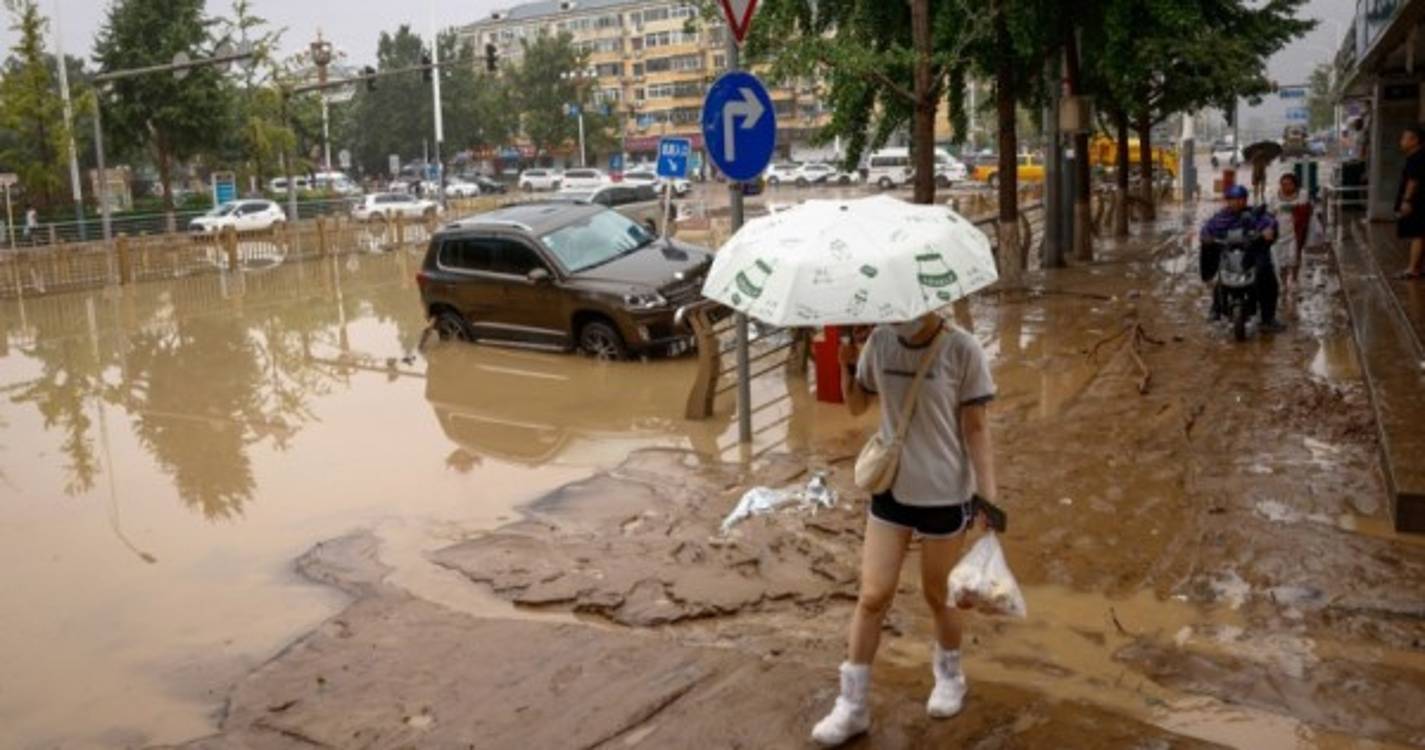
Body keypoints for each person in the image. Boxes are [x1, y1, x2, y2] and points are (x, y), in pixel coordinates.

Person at [813, 312, 997, 747]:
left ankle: (950, 678)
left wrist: (988, 499)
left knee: (938, 595)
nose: (897, 315)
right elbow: (858, 407)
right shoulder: (880, 341)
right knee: (873, 595)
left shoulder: (962, 349)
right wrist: (845, 364)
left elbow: (977, 428)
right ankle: (852, 706)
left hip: (944, 494)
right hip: (890, 488)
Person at [1199, 184, 1284, 334]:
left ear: (1245, 200)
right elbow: (1207, 229)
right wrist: (1206, 237)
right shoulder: (1220, 218)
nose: (1236, 203)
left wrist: (1268, 232)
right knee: (1219, 272)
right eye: (1233, 199)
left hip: (1253, 254)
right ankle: (1216, 307)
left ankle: (1268, 318)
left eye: (1240, 199)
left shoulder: (1256, 215)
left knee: (1266, 274)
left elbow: (1271, 223)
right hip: (1228, 254)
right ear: (1227, 201)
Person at [1272, 173, 1312, 296]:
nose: (1286, 187)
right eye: (1283, 184)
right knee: (1282, 260)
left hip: (1296, 233)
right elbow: (1270, 214)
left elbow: (1306, 210)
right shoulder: (1275, 198)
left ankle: (1294, 279)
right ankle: (1283, 283)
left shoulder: (1302, 195)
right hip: (1280, 234)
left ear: (1295, 185)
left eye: (1289, 184)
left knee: (1294, 257)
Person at [1395, 125, 1425, 279]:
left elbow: (1413, 181)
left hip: (1417, 202)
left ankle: (1413, 269)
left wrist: (1407, 200)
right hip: (1418, 201)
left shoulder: (1416, 158)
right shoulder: (1418, 156)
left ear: (1415, 140)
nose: (1401, 141)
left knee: (1417, 234)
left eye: (1404, 138)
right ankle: (1417, 267)